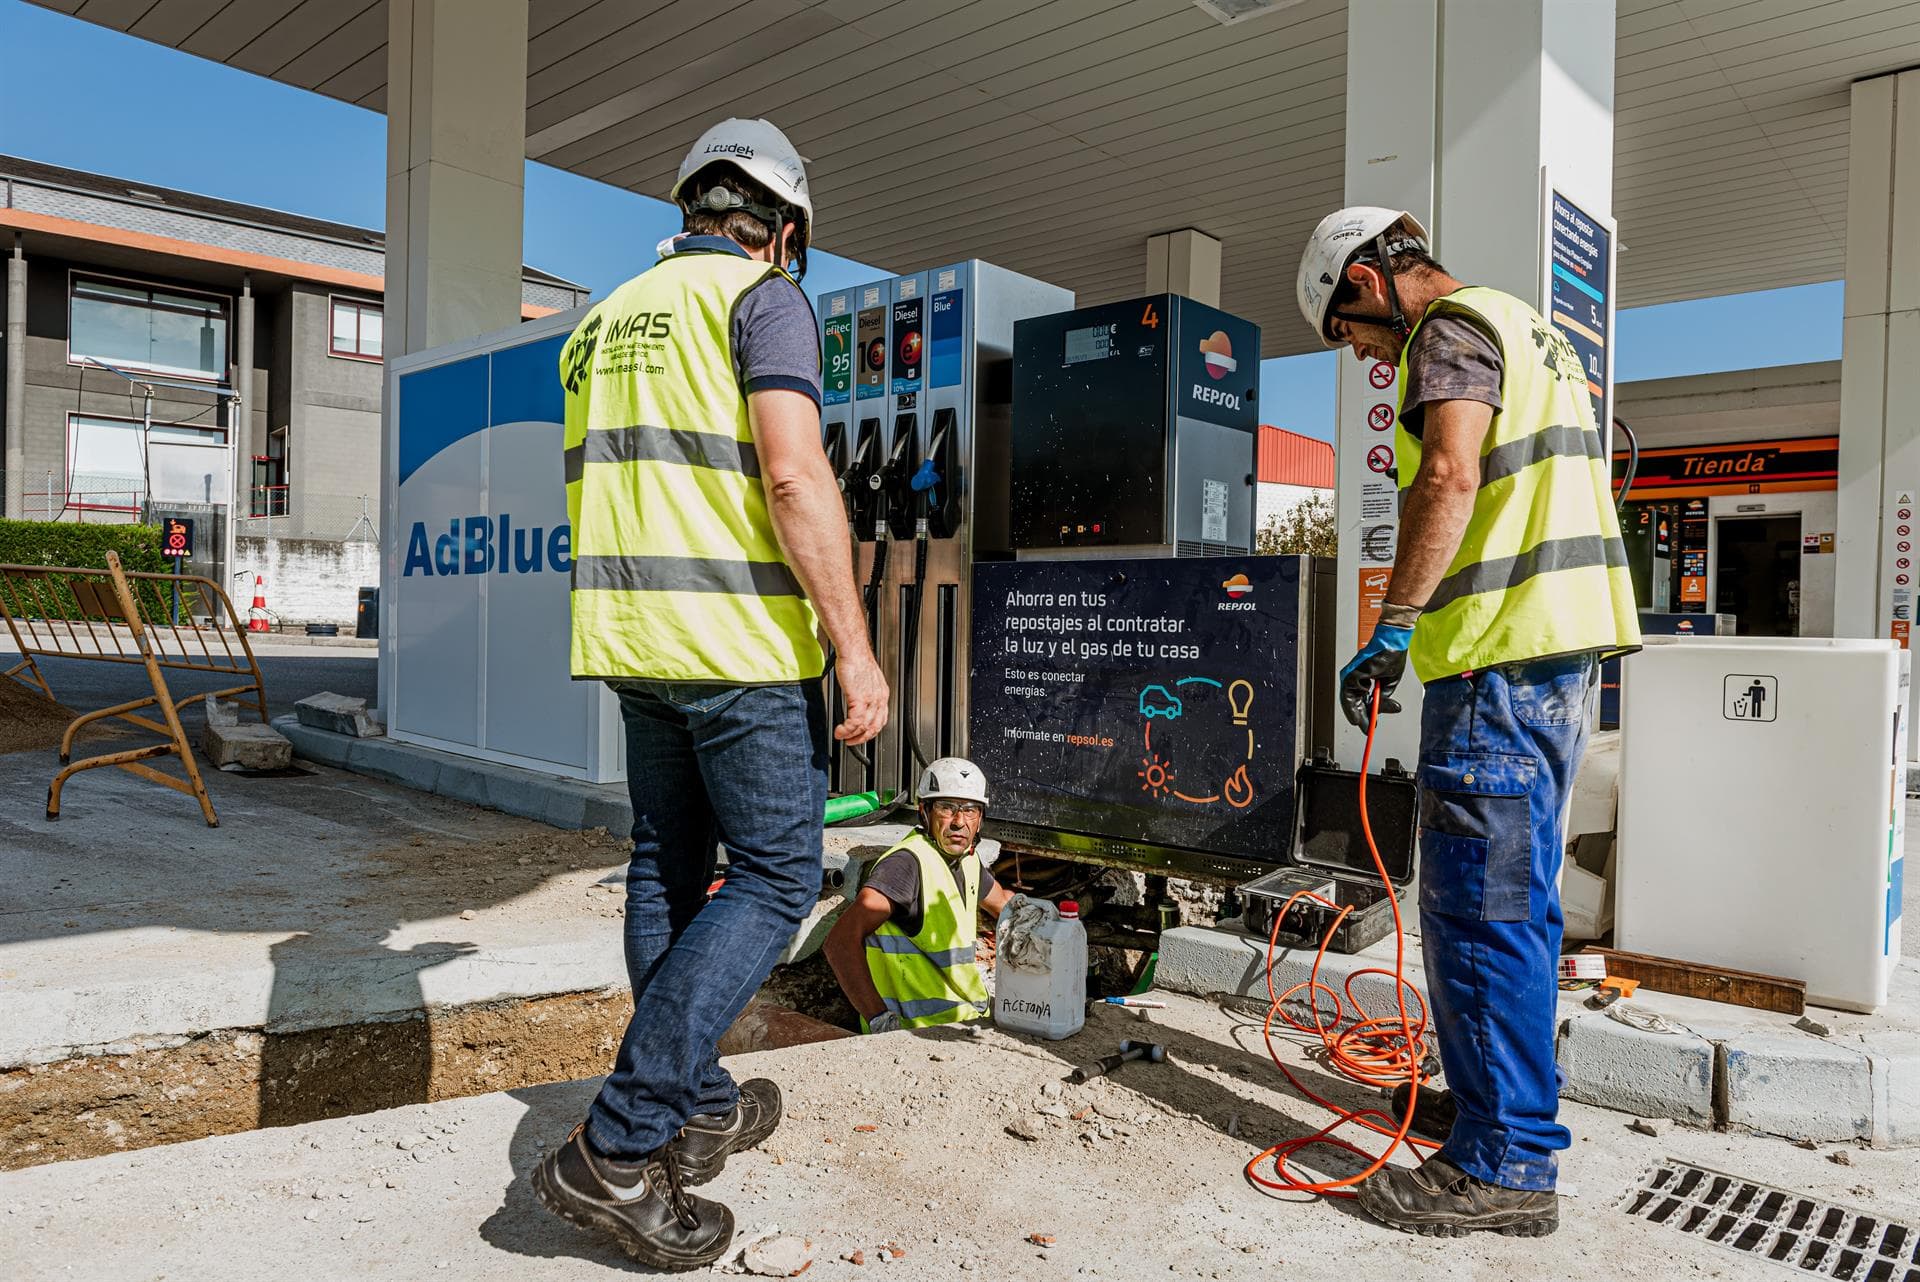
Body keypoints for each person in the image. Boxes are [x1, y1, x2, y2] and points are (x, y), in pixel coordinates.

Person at [535, 118, 888, 1272]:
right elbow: (791, 472)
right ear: (782, 229)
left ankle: (693, 1102)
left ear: (690, 206)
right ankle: (622, 1142)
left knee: (666, 867)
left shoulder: (598, 322)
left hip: (635, 640)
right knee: (782, 872)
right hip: (736, 640)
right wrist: (854, 645)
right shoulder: (763, 297)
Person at [1296, 207, 1640, 1237]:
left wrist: (1393, 623)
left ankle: (1505, 1163)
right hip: (1556, 658)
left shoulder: (1446, 333)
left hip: (1497, 659)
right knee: (1519, 904)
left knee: (1477, 907)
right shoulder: (1529, 329)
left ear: (1368, 276)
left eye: (1348, 326)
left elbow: (1448, 474)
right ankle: (1504, 1110)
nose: (1359, 352)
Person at [824, 757, 1014, 1032]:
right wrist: (879, 1019)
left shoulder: (968, 859)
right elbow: (839, 942)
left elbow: (1005, 906)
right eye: (947, 808)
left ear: (981, 817)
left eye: (970, 810)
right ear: (924, 811)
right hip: (919, 1033)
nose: (959, 821)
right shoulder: (906, 865)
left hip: (968, 1020)